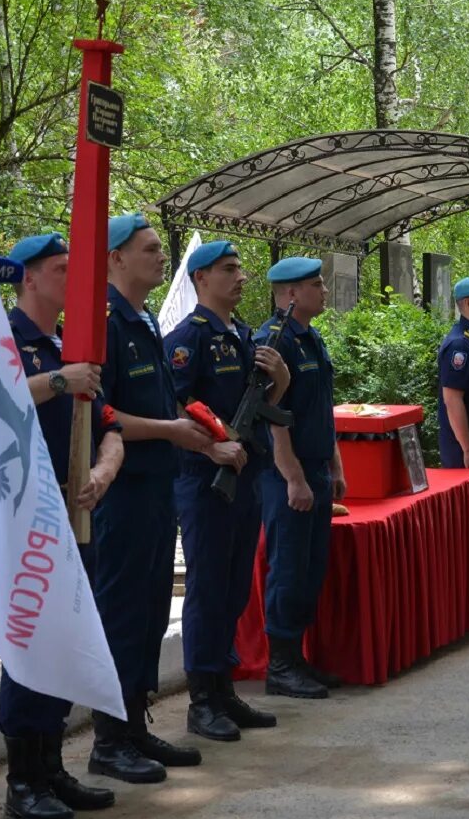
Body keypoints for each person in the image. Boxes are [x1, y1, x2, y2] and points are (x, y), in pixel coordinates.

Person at [0, 233, 120, 819]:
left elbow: (111, 425)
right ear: (27, 278)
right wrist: (59, 381)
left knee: (67, 639)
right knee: (31, 645)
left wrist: (101, 470)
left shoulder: (68, 346)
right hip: (25, 525)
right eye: (61, 269)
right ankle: (23, 780)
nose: (73, 281)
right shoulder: (6, 340)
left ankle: (51, 766)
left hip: (76, 520)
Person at [93, 213, 208, 784]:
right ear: (115, 257)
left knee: (147, 615)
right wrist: (169, 431)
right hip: (124, 494)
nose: (162, 258)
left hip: (157, 491)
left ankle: (135, 726)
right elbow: (100, 414)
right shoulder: (104, 325)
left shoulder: (142, 321)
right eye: (150, 249)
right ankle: (109, 739)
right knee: (121, 614)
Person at [164, 241, 287, 742]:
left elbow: (258, 408)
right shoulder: (188, 338)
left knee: (236, 587)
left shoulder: (241, 335)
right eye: (228, 269)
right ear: (200, 278)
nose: (241, 277)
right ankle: (201, 700)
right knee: (208, 589)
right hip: (204, 479)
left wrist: (279, 380)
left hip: (247, 476)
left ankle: (223, 688)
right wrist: (209, 447)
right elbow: (172, 405)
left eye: (240, 268)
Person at [257, 256, 346, 696]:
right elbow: (274, 416)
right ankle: (280, 665)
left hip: (315, 468)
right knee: (289, 569)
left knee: (311, 568)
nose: (324, 291)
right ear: (290, 294)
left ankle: (298, 659)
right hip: (285, 473)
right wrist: (293, 476)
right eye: (316, 285)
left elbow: (319, 407)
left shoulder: (310, 338)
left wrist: (335, 464)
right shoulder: (274, 343)